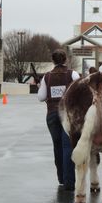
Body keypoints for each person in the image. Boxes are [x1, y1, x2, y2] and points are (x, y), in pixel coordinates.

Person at [37, 49, 80, 190]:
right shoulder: (73, 74)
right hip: (68, 114)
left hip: (52, 115)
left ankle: (61, 178)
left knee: (57, 146)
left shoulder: (46, 77)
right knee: (68, 146)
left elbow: (41, 97)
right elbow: (81, 92)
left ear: (53, 61)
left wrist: (41, 87)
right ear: (65, 59)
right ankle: (69, 182)